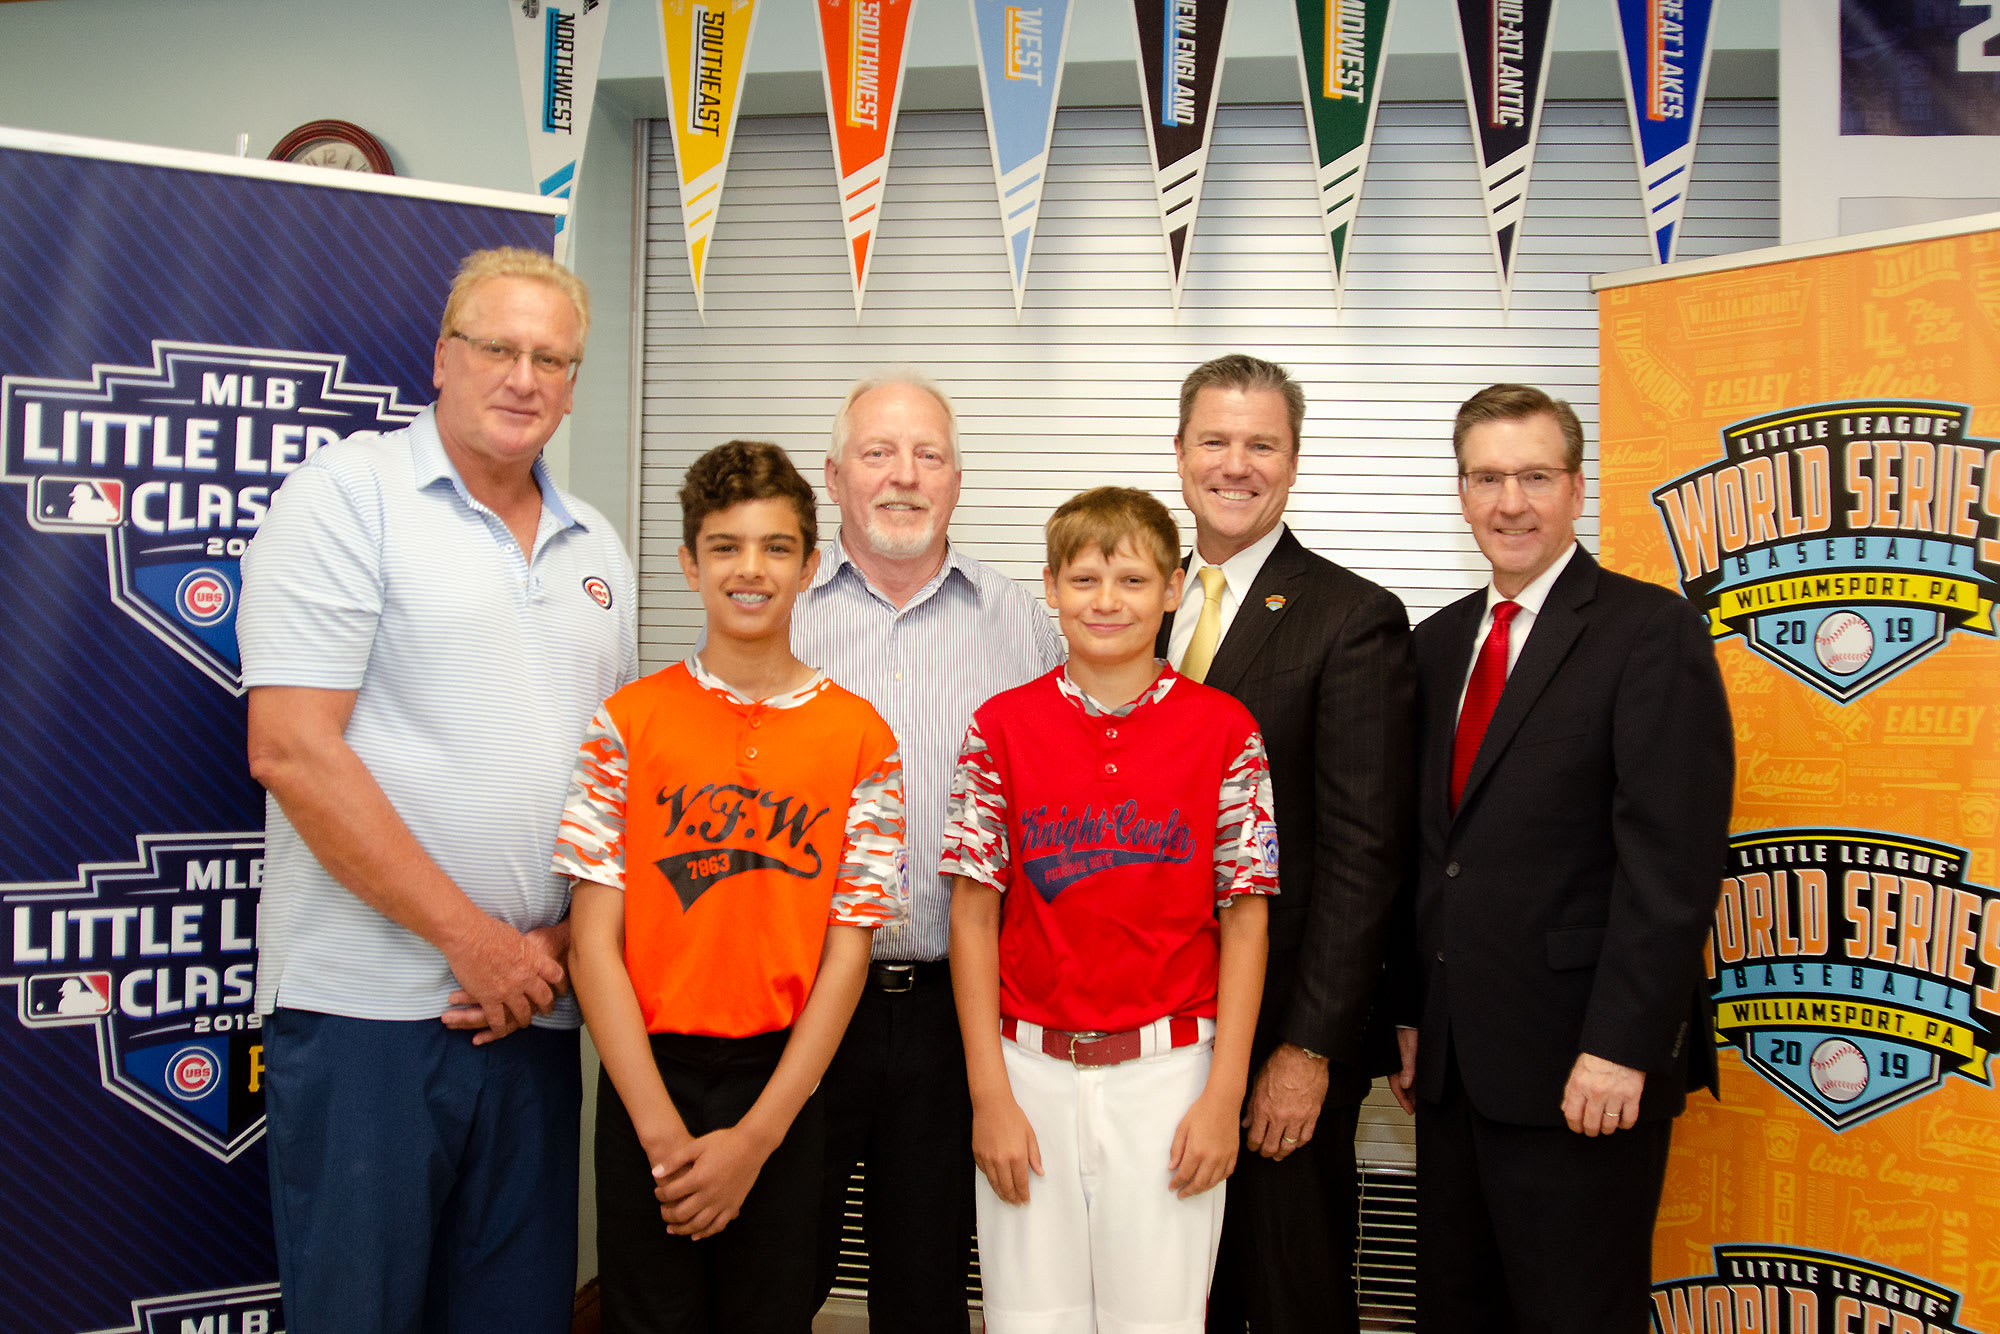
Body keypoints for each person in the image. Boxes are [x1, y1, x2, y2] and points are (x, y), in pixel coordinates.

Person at [237, 246, 638, 1333]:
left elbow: (611, 780)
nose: (523, 376)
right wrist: (473, 940)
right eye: (498, 348)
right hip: (373, 1012)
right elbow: (290, 750)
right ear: (442, 359)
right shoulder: (342, 499)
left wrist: (555, 948)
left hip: (536, 1011)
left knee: (514, 1311)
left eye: (551, 358)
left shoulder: (596, 543)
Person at [1389, 383, 1733, 1332]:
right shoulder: (1436, 643)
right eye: (1489, 478)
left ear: (1576, 489)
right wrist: (1413, 1017)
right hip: (1457, 1071)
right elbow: (1431, 855)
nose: (1512, 502)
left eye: (1535, 476)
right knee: (1459, 1314)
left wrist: (1621, 1046)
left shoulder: (1647, 631)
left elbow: (1673, 862)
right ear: (1461, 493)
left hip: (1586, 1070)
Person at [558, 439, 904, 1332]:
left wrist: (756, 1141)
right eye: (725, 546)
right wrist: (661, 1135)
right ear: (688, 562)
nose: (750, 570)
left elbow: (847, 954)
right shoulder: (626, 726)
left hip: (783, 1086)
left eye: (775, 547)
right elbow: (594, 943)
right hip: (648, 1076)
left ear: (809, 565)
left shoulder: (862, 737)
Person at [944, 485, 1275, 1334]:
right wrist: (989, 1094)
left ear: (1174, 590)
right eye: (1084, 579)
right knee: (1030, 1320)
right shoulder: (1000, 728)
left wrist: (1222, 1094)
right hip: (1028, 1071)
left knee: (1158, 1321)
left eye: (1132, 580)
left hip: (1169, 1074)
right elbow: (973, 916)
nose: (1106, 601)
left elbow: (1245, 918)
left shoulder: (1226, 729)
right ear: (1049, 588)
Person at [1156, 354, 1416, 1334]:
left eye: (1259, 443)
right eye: (1214, 440)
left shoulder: (1350, 618)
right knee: (1178, 1289)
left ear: (1293, 460)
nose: (1235, 464)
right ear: (1178, 453)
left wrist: (1306, 1049)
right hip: (1156, 1026)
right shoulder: (1135, 596)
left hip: (1277, 1033)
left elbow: (1362, 853)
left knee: (1285, 1284)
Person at [799, 369, 1062, 1332]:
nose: (903, 476)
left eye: (928, 455)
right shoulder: (778, 612)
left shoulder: (1028, 626)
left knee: (928, 1291)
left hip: (961, 1015)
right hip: (802, 1012)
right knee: (778, 1276)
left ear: (957, 480)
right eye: (878, 453)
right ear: (834, 476)